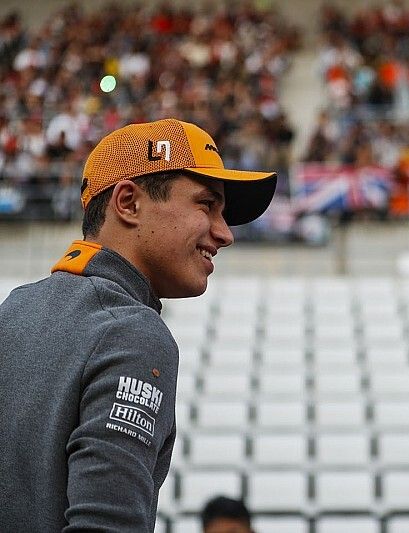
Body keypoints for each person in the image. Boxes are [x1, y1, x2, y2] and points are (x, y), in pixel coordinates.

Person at [0, 118, 276, 531]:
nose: (225, 233)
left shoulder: (14, 310)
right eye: (206, 204)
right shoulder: (131, 331)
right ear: (128, 202)